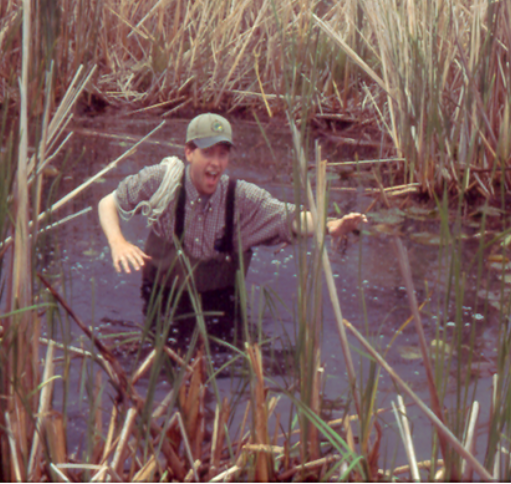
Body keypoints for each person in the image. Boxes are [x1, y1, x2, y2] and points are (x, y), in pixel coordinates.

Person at [98, 114, 367, 337]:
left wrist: (330, 225)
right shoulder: (161, 181)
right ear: (189, 152)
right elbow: (107, 204)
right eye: (207, 153)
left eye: (223, 154)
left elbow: (289, 217)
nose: (216, 163)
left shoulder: (242, 197)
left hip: (221, 308)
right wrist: (118, 242)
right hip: (161, 300)